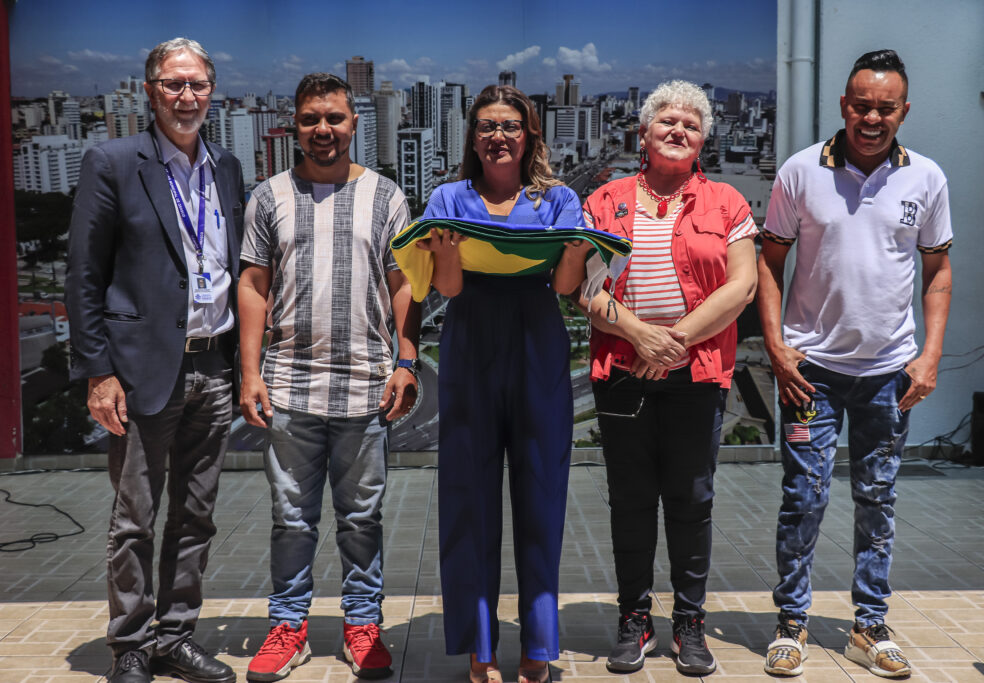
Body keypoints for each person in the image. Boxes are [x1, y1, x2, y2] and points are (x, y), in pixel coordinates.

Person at [758, 49, 952, 679]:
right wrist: (776, 347)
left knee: (878, 499)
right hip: (809, 372)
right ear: (844, 106)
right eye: (861, 105)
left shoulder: (926, 178)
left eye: (885, 107)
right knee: (804, 498)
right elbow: (770, 260)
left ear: (903, 111)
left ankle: (869, 625)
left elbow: (937, 272)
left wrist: (929, 357)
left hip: (890, 375)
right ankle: (791, 622)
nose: (872, 117)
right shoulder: (799, 171)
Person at [65, 38, 241, 683]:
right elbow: (84, 275)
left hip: (212, 364)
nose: (186, 97)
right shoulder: (112, 162)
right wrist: (98, 371)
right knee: (134, 518)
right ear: (150, 90)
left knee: (196, 515)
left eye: (197, 85)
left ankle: (176, 634)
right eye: (173, 85)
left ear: (212, 91)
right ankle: (131, 643)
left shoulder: (225, 165)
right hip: (141, 372)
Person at [238, 73, 419, 682]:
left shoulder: (388, 197)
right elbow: (254, 286)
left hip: (365, 388)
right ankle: (287, 628)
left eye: (334, 118)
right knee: (291, 519)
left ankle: (361, 625)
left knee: (361, 519)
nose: (323, 130)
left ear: (354, 123)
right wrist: (249, 372)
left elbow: (403, 283)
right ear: (295, 124)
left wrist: (406, 359)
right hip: (289, 385)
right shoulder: (268, 197)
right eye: (312, 119)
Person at [576, 80, 757, 676]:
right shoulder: (605, 201)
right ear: (644, 132)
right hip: (622, 370)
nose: (678, 132)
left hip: (696, 372)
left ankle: (689, 621)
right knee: (629, 500)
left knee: (691, 499)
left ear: (704, 137)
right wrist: (639, 337)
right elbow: (587, 289)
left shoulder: (728, 202)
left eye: (692, 124)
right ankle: (634, 618)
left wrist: (672, 341)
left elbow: (742, 287)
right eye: (667, 123)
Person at [417, 84, 589, 683]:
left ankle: (539, 643)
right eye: (487, 126)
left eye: (511, 125)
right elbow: (450, 289)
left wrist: (575, 247)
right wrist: (443, 253)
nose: (499, 135)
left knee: (542, 495)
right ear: (472, 137)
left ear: (529, 135)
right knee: (468, 497)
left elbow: (567, 288)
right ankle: (480, 644)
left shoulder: (560, 199)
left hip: (538, 343)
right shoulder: (447, 197)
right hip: (469, 345)